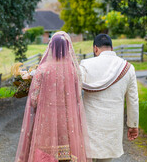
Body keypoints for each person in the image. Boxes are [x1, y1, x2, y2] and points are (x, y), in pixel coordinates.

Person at [15, 31, 91, 162]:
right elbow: (78, 96)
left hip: (46, 119)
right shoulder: (73, 71)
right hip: (67, 120)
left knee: (46, 154)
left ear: (51, 47)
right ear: (68, 48)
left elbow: (34, 100)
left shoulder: (43, 69)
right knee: (68, 155)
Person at [80, 34, 139, 162]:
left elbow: (74, 91)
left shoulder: (85, 65)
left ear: (95, 48)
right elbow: (133, 100)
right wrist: (133, 125)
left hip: (89, 127)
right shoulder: (128, 68)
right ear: (112, 48)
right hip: (112, 128)